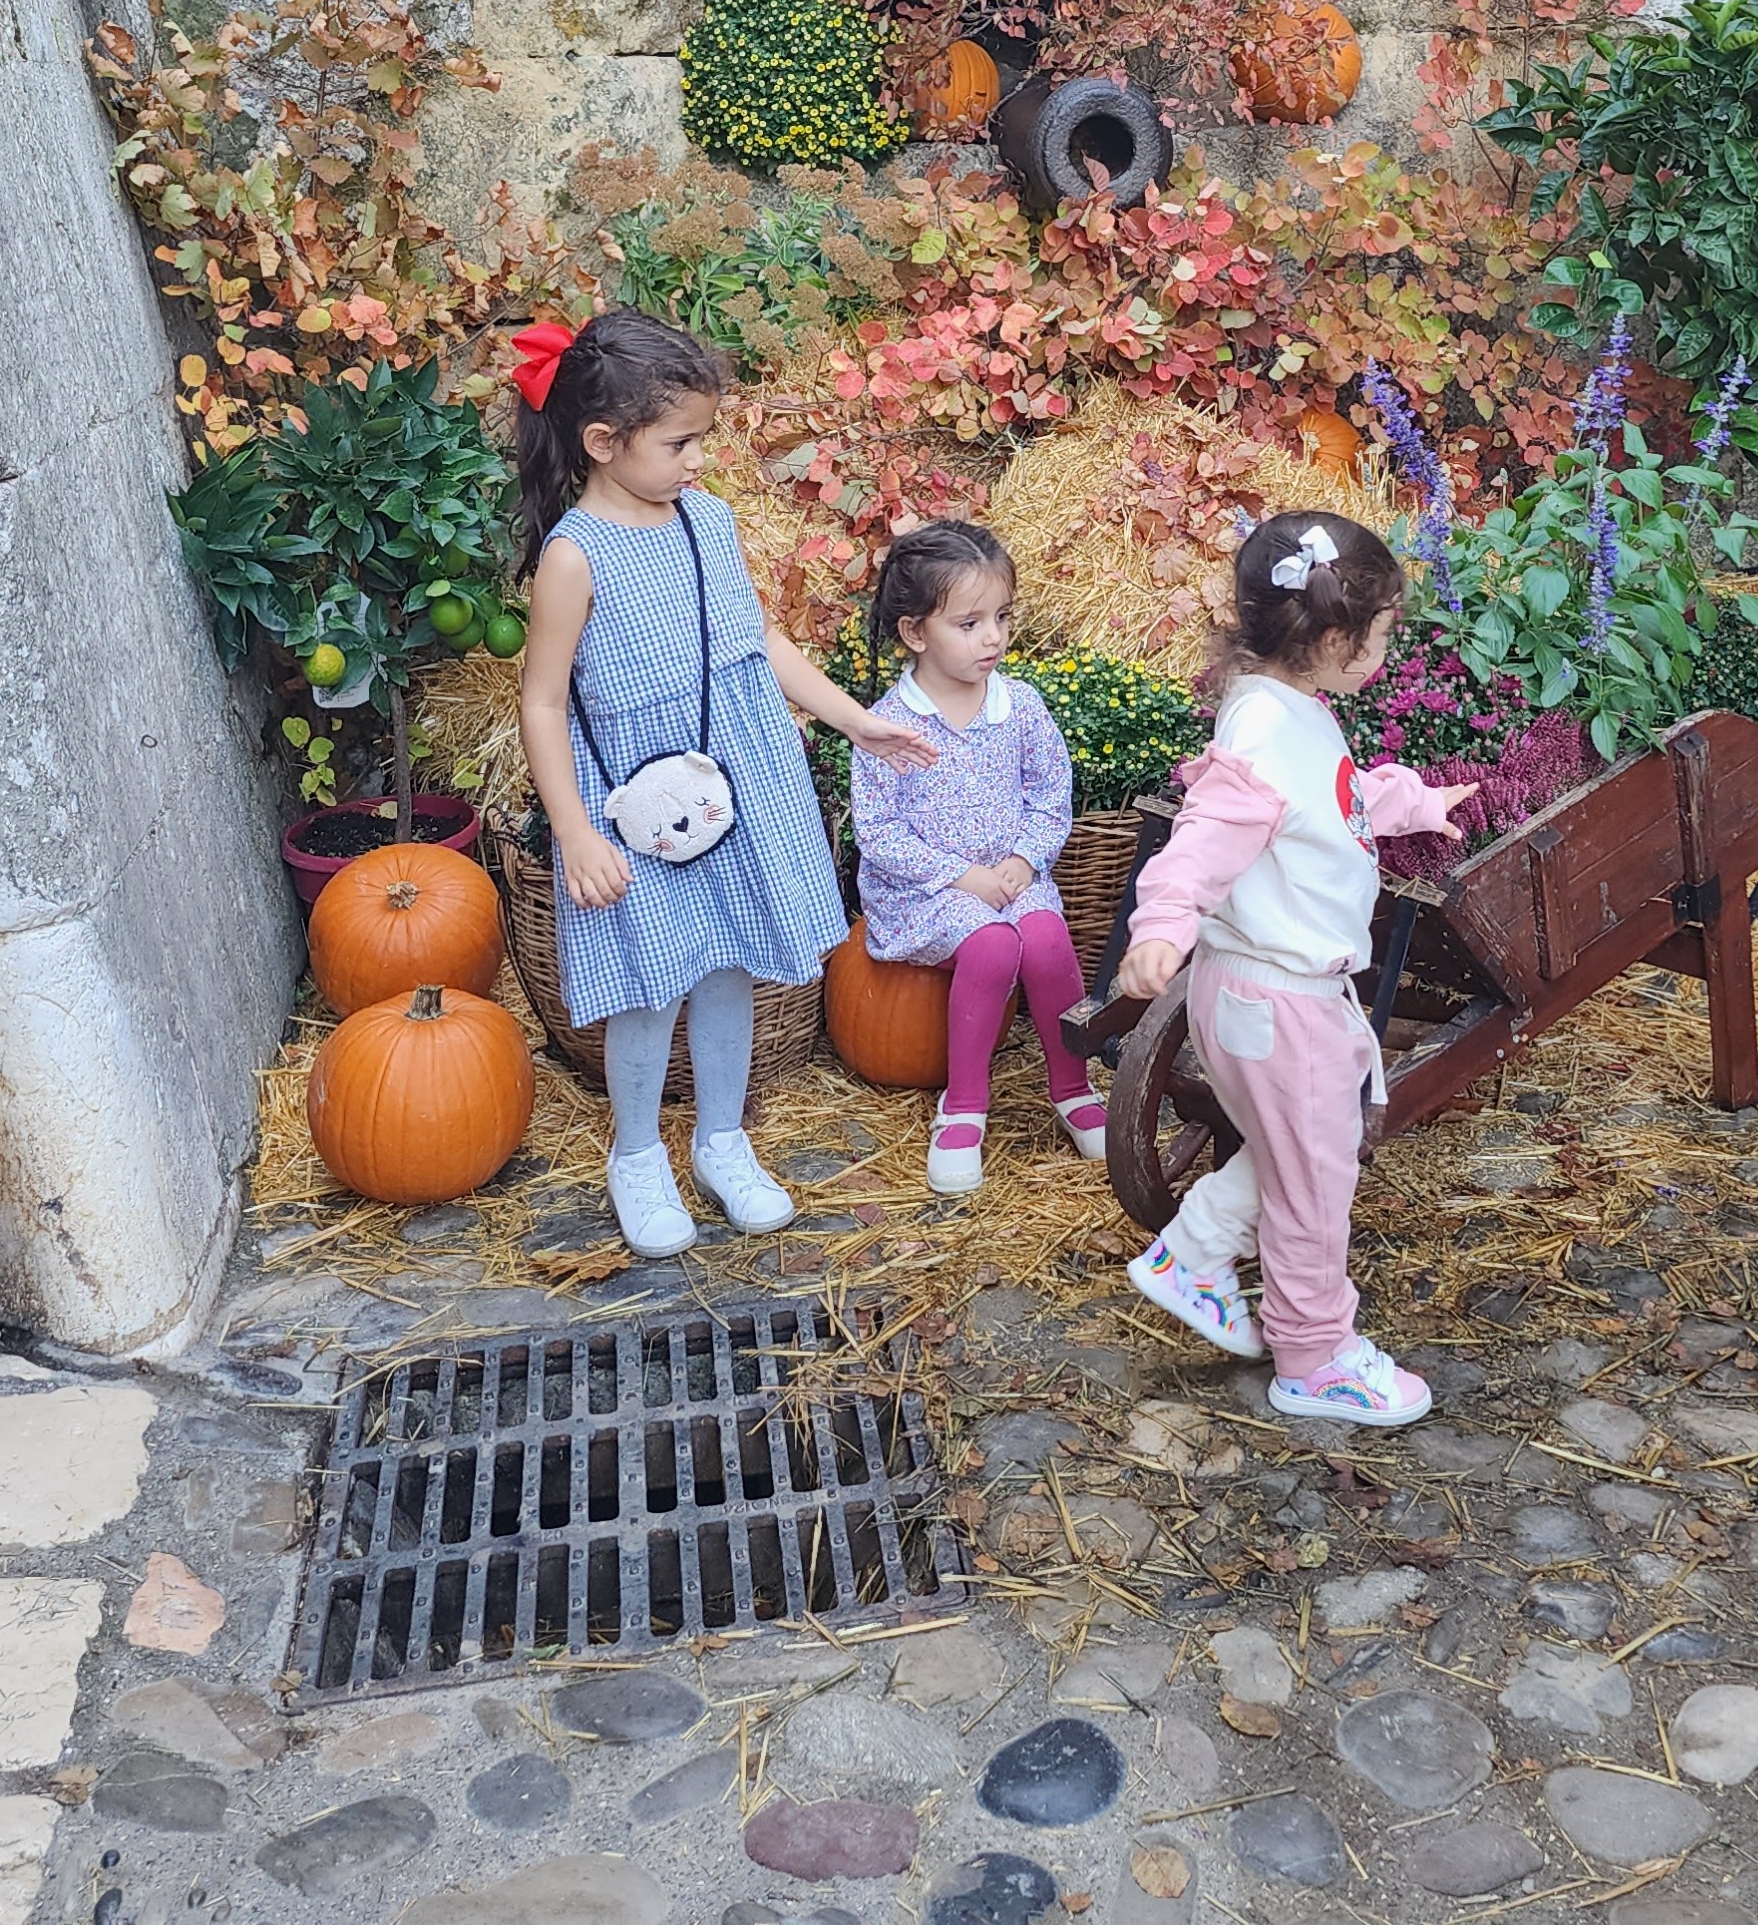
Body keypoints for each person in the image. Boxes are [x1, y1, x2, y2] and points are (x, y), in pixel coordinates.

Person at [513, 311, 936, 1257]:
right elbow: (543, 701)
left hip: (730, 780)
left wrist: (854, 718)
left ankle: (721, 1141)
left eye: (702, 438)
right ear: (602, 443)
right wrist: (574, 832)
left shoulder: (707, 520)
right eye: (679, 443)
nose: (699, 460)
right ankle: (636, 1155)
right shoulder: (575, 556)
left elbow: (761, 641)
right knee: (649, 984)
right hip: (633, 801)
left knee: (727, 965)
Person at [1110, 512, 1469, 1425]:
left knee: (1297, 1151)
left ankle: (1193, 1255)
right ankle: (1314, 1358)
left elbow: (1327, 802)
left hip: (1263, 995)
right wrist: (1162, 923)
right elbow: (1205, 835)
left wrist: (1412, 800)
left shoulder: (1281, 708)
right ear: (1337, 641)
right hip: (1281, 1001)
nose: (1388, 647)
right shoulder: (1265, 734)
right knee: (1315, 1187)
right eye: (1384, 630)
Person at [848, 521, 1105, 1196]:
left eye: (1001, 617)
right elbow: (879, 833)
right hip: (926, 890)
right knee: (992, 947)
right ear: (915, 632)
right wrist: (962, 877)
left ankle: (1072, 1086)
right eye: (969, 624)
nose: (992, 637)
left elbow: (1050, 794)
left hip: (1011, 874)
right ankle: (963, 1106)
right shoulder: (888, 727)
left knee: (1046, 939)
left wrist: (1026, 859)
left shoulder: (1020, 708)